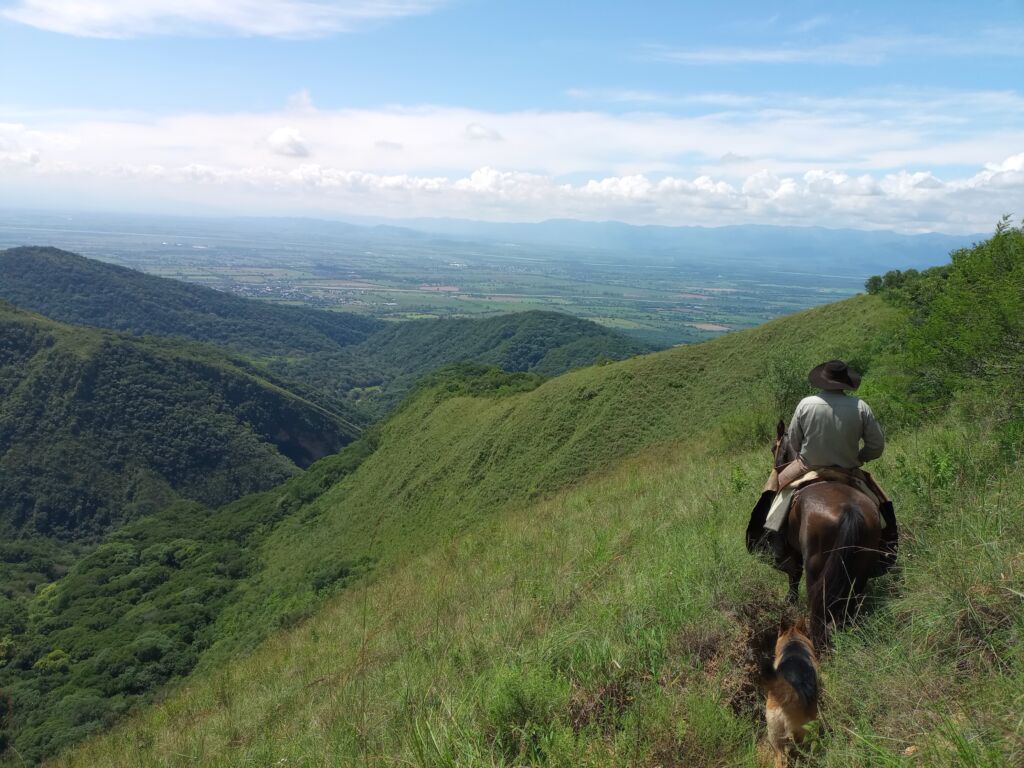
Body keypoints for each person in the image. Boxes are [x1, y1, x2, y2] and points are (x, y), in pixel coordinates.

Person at [747, 360, 897, 565]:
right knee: (882, 501)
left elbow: (795, 441)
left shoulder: (806, 404)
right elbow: (876, 446)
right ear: (846, 383)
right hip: (848, 469)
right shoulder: (861, 406)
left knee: (773, 490)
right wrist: (860, 457)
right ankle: (888, 545)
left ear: (822, 381)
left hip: (808, 466)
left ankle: (769, 540)